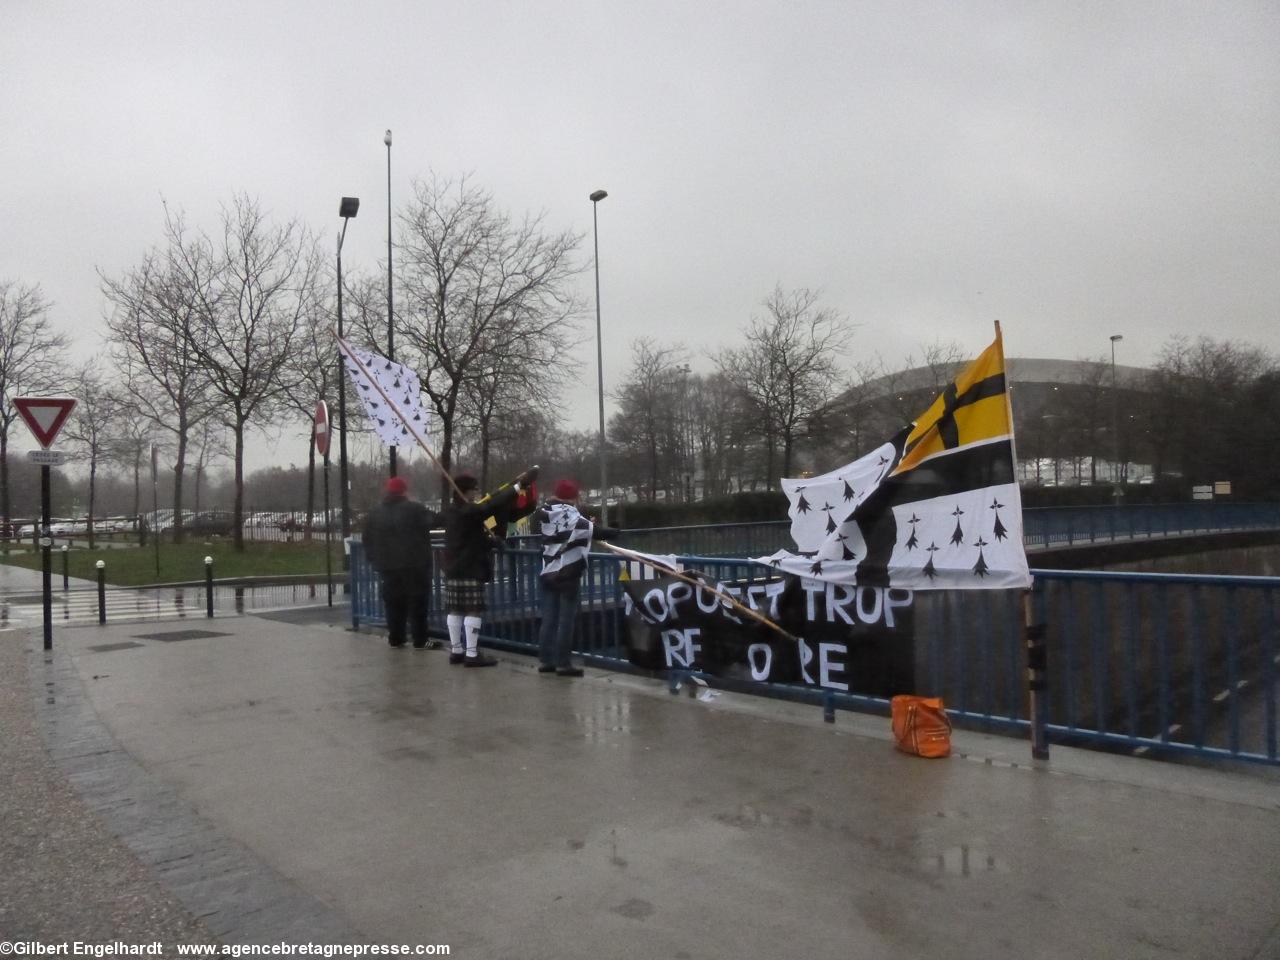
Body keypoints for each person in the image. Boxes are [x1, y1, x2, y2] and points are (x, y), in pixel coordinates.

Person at [442, 467, 538, 667]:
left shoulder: (452, 511)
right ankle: (471, 654)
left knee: (456, 610)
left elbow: (471, 536)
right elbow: (492, 504)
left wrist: (492, 542)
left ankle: (456, 651)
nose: (477, 493)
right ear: (465, 491)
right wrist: (518, 486)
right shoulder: (469, 510)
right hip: (470, 566)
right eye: (474, 490)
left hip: (453, 566)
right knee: (472, 610)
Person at [534, 478, 619, 677]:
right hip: (568, 571)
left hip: (548, 570)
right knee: (566, 619)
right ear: (574, 496)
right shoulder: (570, 513)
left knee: (549, 618)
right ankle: (563, 663)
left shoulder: (543, 512)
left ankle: (546, 661)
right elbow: (592, 531)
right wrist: (615, 531)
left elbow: (561, 531)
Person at [363, 476, 440, 649]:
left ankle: (396, 637)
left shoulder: (375, 513)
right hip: (415, 564)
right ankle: (420, 639)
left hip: (388, 566)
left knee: (393, 602)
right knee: (417, 603)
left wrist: (375, 560)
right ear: (405, 491)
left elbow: (367, 539)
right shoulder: (414, 509)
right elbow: (435, 521)